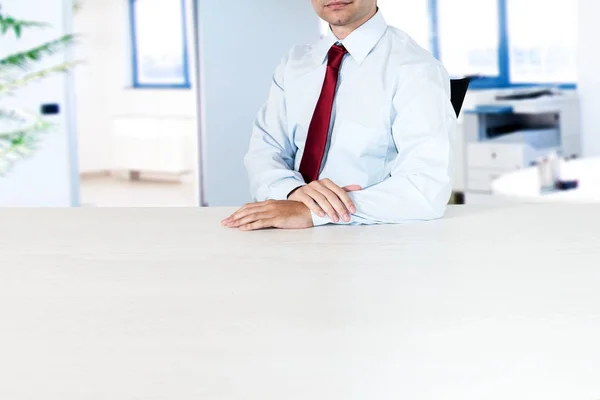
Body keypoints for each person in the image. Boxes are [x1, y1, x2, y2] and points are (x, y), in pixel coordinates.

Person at [222, 0, 457, 231]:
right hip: (286, 236)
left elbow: (426, 188)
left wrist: (313, 212)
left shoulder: (415, 69)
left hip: (372, 240)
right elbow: (264, 152)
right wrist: (290, 191)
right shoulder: (294, 64)